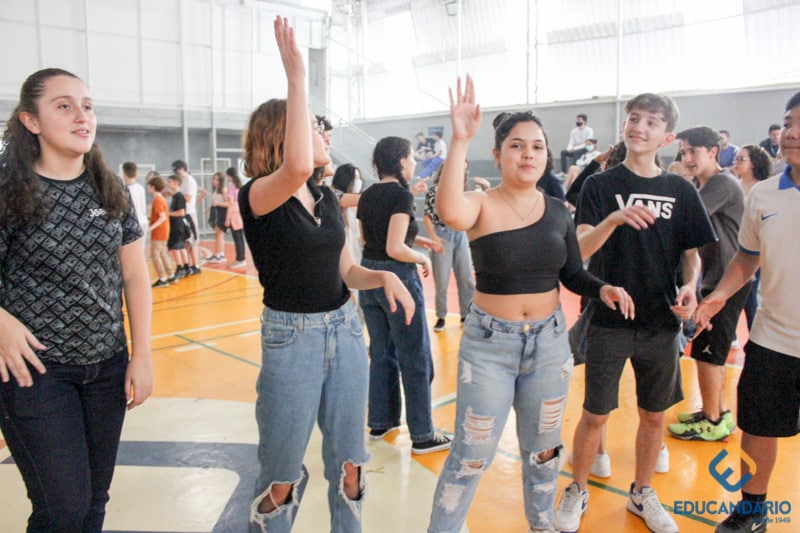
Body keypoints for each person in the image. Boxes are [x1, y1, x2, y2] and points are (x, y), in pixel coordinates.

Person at [427, 77, 634, 533]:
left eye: (537, 146)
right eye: (517, 146)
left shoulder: (558, 210)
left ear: (546, 156)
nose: (528, 154)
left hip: (549, 346)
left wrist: (602, 288)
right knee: (470, 455)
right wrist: (459, 139)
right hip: (489, 348)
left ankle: (541, 525)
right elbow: (448, 211)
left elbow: (572, 274)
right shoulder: (480, 204)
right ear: (498, 154)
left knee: (544, 454)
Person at [239, 18, 413, 533]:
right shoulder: (258, 195)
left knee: (351, 466)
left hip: (344, 328)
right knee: (281, 477)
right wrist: (297, 77)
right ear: (284, 133)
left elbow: (348, 272)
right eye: (315, 127)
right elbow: (294, 167)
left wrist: (382, 277)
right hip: (291, 338)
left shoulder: (327, 199)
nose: (325, 136)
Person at [554, 92, 717, 533]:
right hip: (608, 319)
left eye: (651, 122)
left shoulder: (680, 190)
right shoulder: (600, 185)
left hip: (661, 322)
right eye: (634, 118)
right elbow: (580, 250)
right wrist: (614, 219)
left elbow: (692, 255)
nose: (639, 127)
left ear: (667, 137)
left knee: (653, 415)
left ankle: (642, 492)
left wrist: (690, 287)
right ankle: (578, 488)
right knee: (595, 414)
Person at [0, 67, 153, 532]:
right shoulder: (7, 191)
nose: (81, 116)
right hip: (35, 371)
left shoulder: (110, 189)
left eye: (87, 106)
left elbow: (134, 274)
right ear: (31, 121)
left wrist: (142, 354)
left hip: (107, 367)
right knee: (62, 508)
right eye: (64, 106)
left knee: (93, 502)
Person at [695, 91, 800, 533]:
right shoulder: (763, 194)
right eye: (788, 122)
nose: (791, 133)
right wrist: (719, 295)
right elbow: (747, 257)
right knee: (757, 428)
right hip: (774, 339)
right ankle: (753, 510)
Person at [357, 136, 450, 455]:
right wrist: (422, 258)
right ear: (399, 161)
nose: (413, 162)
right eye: (410, 157)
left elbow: (368, 239)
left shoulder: (368, 194)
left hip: (369, 276)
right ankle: (423, 435)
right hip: (397, 278)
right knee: (415, 355)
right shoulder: (401, 195)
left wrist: (418, 242)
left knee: (381, 351)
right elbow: (395, 248)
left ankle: (381, 421)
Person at [666, 126, 748, 442]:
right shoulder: (709, 184)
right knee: (708, 350)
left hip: (727, 282)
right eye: (683, 152)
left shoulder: (721, 184)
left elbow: (683, 219)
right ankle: (717, 412)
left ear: (713, 152)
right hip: (717, 279)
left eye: (693, 151)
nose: (687, 158)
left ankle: (712, 420)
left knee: (708, 353)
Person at [423, 162, 475, 332]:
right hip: (442, 233)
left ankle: (466, 314)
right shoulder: (435, 190)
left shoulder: (462, 190)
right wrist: (434, 237)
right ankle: (441, 316)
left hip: (460, 233)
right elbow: (427, 215)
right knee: (442, 279)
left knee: (466, 276)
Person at [732, 145, 771, 331]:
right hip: (734, 246)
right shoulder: (733, 185)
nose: (736, 163)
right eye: (736, 158)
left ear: (754, 163)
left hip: (755, 248)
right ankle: (731, 335)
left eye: (741, 159)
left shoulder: (765, 189)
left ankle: (754, 333)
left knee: (750, 296)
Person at [171, 159, 201, 274]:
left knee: (192, 240)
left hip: (188, 213)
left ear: (183, 169)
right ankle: (189, 265)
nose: (176, 174)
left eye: (177, 171)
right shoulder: (182, 180)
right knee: (185, 241)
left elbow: (188, 197)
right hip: (183, 214)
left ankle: (196, 265)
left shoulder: (189, 180)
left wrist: (177, 196)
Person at [332, 163, 364, 265]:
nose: (358, 182)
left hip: (357, 255)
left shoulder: (358, 205)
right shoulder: (334, 197)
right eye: (355, 178)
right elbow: (340, 198)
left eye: (359, 178)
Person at [148, 173, 174, 287]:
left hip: (159, 232)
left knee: (155, 254)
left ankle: (162, 278)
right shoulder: (162, 198)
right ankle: (171, 275)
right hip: (165, 230)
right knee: (163, 253)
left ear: (153, 187)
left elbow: (162, 217)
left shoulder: (157, 200)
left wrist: (151, 227)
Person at [166, 174, 191, 279]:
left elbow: (181, 212)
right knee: (180, 247)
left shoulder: (179, 196)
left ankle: (180, 267)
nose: (168, 184)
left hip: (177, 225)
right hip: (176, 224)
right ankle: (186, 267)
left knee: (176, 247)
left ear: (176, 183)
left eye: (170, 181)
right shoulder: (175, 196)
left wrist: (168, 213)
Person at [224, 166, 246, 269]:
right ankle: (241, 258)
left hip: (233, 213)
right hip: (239, 212)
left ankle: (240, 259)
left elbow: (230, 203)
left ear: (229, 176)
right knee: (240, 237)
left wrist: (227, 218)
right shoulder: (240, 185)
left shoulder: (231, 186)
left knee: (237, 237)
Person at [206, 171, 228, 263]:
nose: (214, 181)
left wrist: (218, 203)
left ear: (221, 181)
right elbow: (215, 201)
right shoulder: (216, 189)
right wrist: (209, 208)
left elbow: (228, 203)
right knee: (219, 234)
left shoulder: (223, 189)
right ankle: (220, 254)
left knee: (219, 234)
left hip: (222, 212)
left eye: (217, 179)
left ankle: (218, 255)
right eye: (214, 179)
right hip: (217, 211)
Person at [122, 161, 148, 234]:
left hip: (132, 223)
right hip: (143, 221)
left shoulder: (125, 190)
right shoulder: (141, 188)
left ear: (124, 174)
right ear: (136, 174)